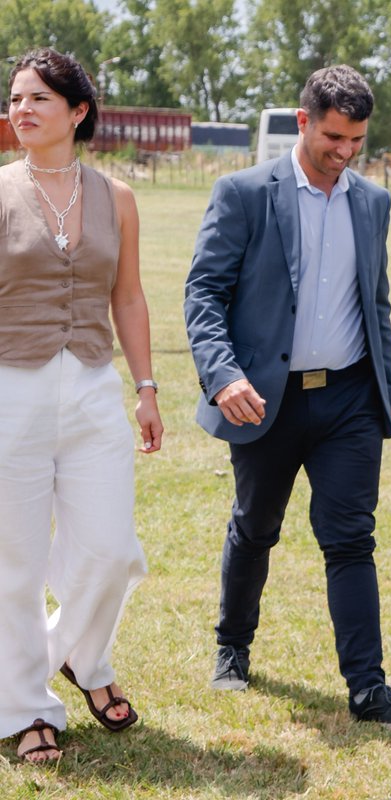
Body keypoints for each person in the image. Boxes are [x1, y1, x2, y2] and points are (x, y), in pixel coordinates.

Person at [184, 65, 391, 729]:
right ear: (303, 121)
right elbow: (204, 293)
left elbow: (376, 302)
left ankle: (369, 689)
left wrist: (389, 387)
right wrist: (223, 375)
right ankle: (232, 647)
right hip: (265, 398)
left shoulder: (373, 202)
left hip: (350, 399)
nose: (345, 151)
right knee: (255, 526)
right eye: (333, 137)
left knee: (351, 538)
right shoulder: (243, 193)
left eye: (356, 140)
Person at [1, 47, 162, 763]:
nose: (22, 109)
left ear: (78, 112)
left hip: (94, 388)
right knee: (16, 559)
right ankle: (25, 706)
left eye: (39, 97)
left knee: (110, 549)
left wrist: (146, 387)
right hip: (12, 386)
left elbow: (127, 296)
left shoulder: (116, 196)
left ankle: (75, 654)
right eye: (15, 98)